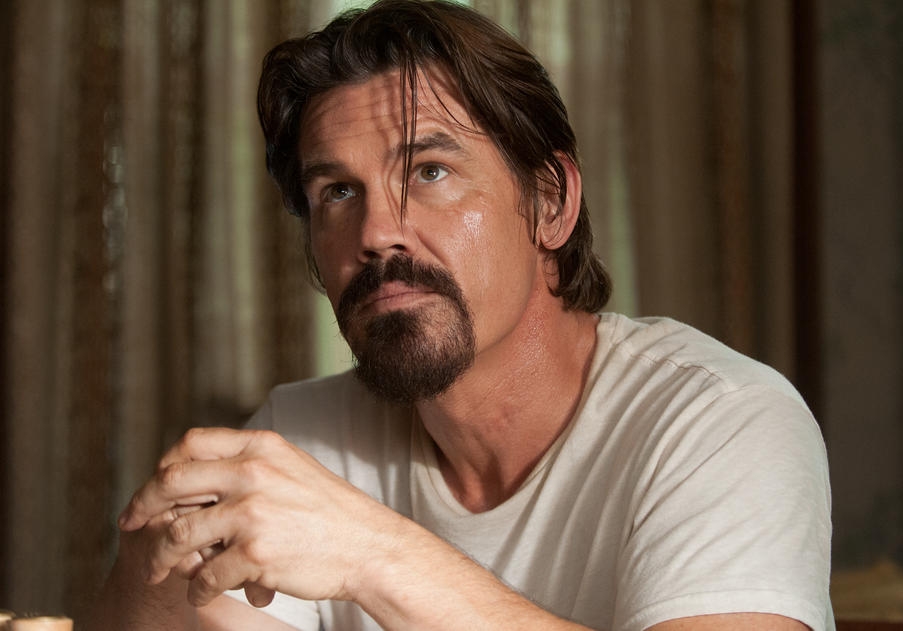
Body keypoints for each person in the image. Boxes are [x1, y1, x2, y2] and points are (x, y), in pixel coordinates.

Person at [86, 1, 834, 629]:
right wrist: (153, 562)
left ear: (551, 203)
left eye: (430, 171)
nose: (376, 232)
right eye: (337, 192)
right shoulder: (302, 439)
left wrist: (371, 553)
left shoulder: (720, 421)